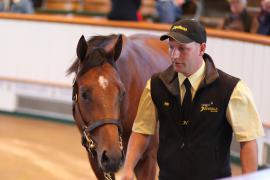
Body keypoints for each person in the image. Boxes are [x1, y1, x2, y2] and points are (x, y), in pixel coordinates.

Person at [121, 19, 264, 180]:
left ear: (202, 48)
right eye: (171, 48)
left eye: (182, 49)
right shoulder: (154, 85)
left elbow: (248, 141)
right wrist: (127, 168)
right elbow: (141, 130)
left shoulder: (232, 89)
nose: (174, 55)